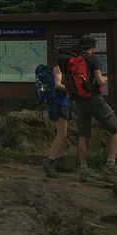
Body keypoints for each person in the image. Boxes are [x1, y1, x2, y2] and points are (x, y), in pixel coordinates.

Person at [68, 35, 117, 178]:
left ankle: (84, 169)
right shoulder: (93, 59)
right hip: (94, 99)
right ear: (93, 46)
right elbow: (99, 81)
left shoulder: (75, 60)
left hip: (80, 100)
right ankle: (110, 164)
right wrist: (105, 79)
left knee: (83, 134)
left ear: (81, 46)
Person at [42, 51, 83, 180]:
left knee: (61, 134)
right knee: (61, 135)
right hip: (60, 103)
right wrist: (70, 89)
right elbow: (57, 85)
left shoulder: (56, 67)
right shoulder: (59, 69)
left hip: (58, 103)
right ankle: (50, 162)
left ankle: (58, 160)